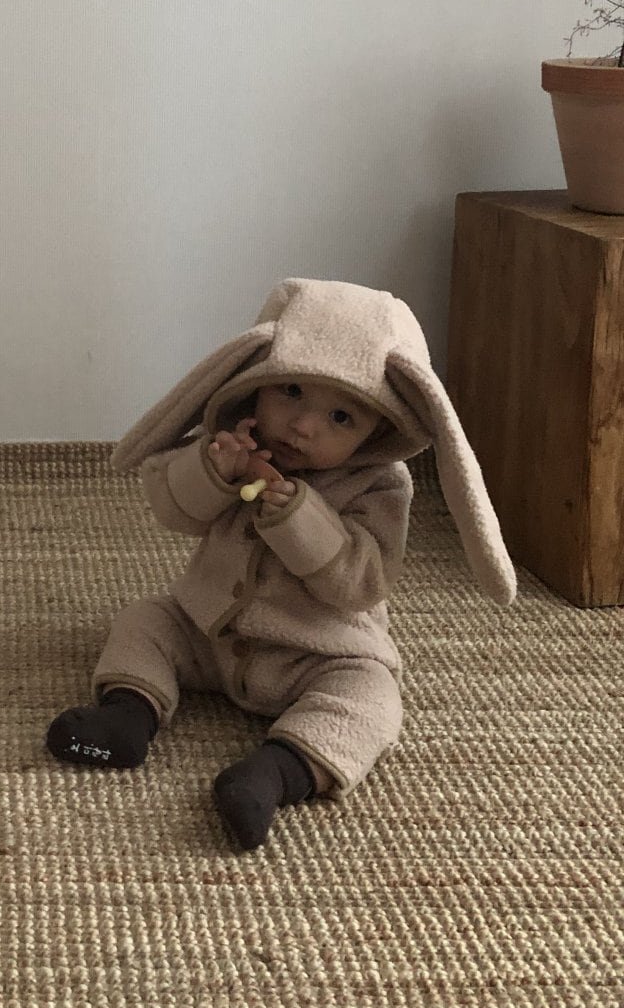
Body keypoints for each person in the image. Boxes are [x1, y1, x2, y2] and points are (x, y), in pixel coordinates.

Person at [45, 278, 515, 850]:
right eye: (290, 391)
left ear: (380, 428)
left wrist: (298, 516)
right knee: (145, 620)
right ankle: (129, 714)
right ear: (256, 381)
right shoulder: (229, 445)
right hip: (208, 633)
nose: (303, 425)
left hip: (317, 654)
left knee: (374, 699)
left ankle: (277, 771)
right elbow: (171, 510)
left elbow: (362, 585)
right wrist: (213, 473)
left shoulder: (380, 486)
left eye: (341, 417)